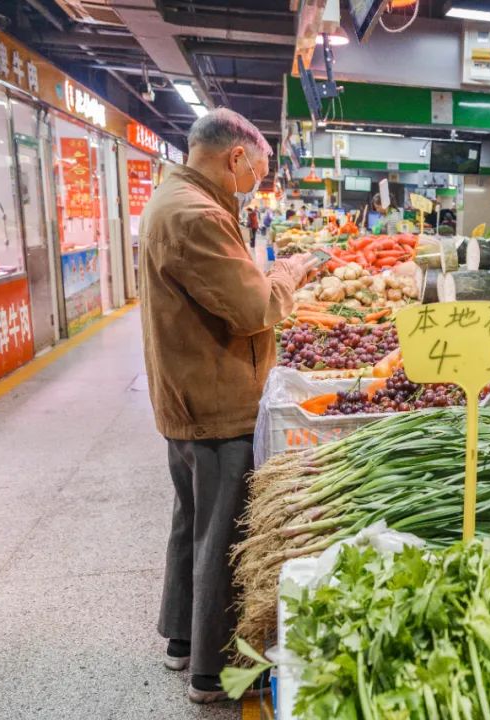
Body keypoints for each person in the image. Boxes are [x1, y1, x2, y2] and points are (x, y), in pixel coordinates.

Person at [138, 108, 318, 704]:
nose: (258, 184)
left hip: (191, 396)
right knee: (221, 535)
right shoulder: (195, 215)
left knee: (193, 524)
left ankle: (182, 640)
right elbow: (251, 309)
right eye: (259, 173)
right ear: (235, 157)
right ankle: (211, 673)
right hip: (214, 403)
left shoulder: (179, 201)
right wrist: (289, 274)